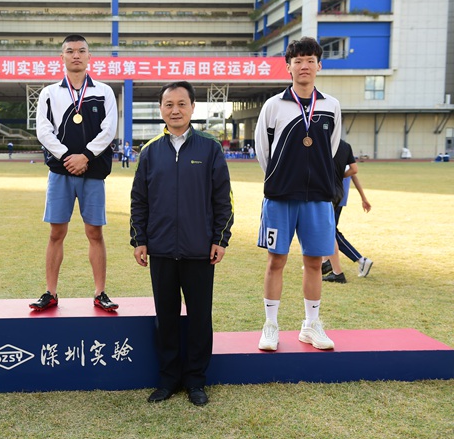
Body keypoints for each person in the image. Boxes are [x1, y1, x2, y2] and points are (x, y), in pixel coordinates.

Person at [131, 81, 233, 406]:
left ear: (192, 107)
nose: (175, 110)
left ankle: (196, 381)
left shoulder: (209, 148)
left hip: (199, 250)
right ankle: (169, 379)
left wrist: (220, 239)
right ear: (161, 109)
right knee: (166, 317)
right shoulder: (150, 151)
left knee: (200, 318)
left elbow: (223, 198)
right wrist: (140, 240)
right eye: (169, 104)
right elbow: (139, 200)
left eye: (181, 104)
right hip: (161, 249)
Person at [254, 37, 342, 351]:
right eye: (298, 61)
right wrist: (282, 177)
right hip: (280, 196)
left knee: (315, 262)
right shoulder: (273, 106)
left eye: (310, 60)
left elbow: (331, 149)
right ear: (288, 67)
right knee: (276, 260)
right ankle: (271, 325)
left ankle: (311, 325)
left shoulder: (331, 106)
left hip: (318, 197)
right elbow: (263, 151)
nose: (304, 66)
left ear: (319, 65)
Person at [31, 34, 118, 312]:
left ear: (90, 56)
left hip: (93, 171)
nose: (76, 55)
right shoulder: (49, 93)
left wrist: (86, 156)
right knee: (56, 232)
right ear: (62, 57)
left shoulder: (104, 91)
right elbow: (43, 130)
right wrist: (67, 157)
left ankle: (100, 292)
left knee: (95, 232)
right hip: (61, 171)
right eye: (70, 51)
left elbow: (109, 129)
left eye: (81, 50)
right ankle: (51, 292)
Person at [321, 141, 373, 282]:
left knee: (331, 232)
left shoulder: (332, 148)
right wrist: (363, 197)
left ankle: (360, 259)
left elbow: (353, 173)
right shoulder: (344, 148)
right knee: (330, 231)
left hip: (332, 196)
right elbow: (354, 174)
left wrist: (363, 197)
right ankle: (326, 262)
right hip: (340, 196)